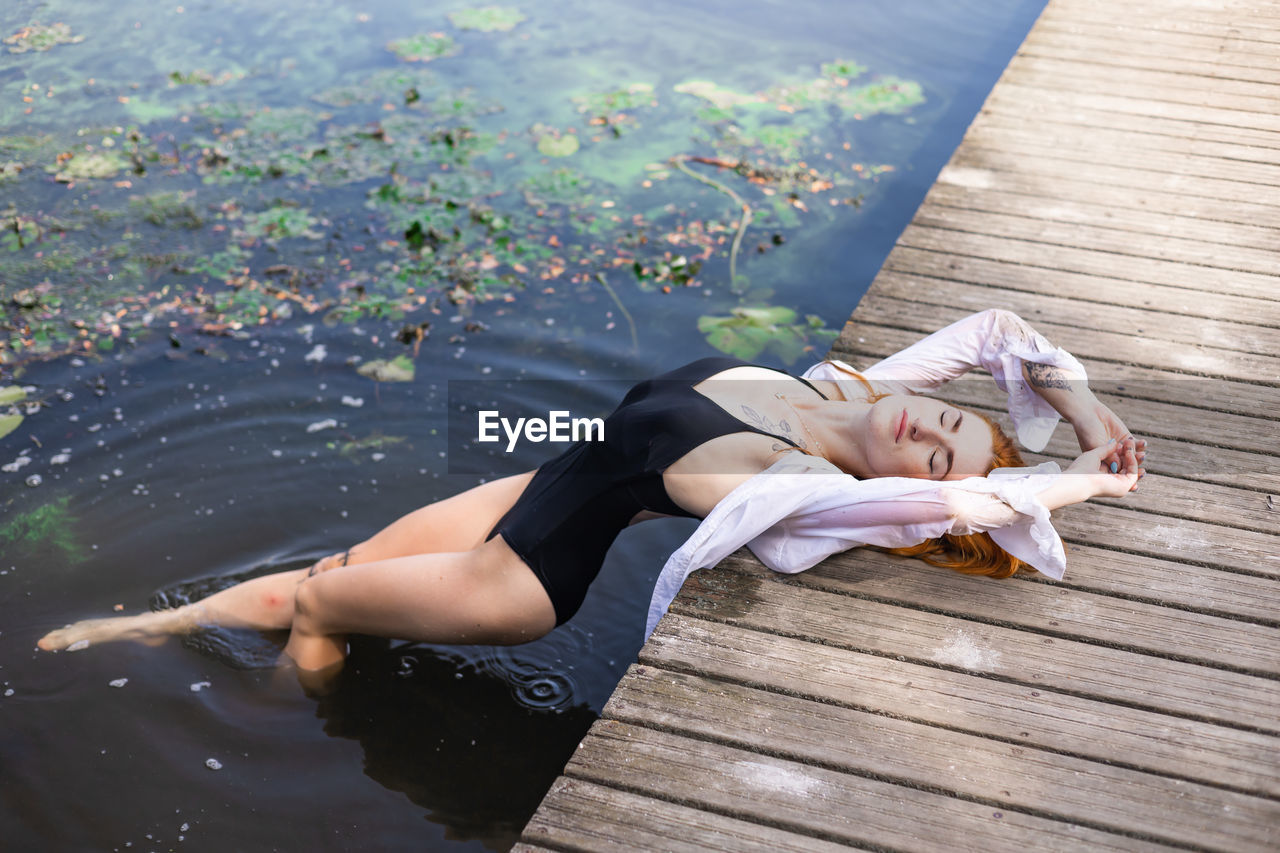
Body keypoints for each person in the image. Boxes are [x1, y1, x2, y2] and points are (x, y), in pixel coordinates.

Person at [37, 309, 1146, 686]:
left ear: (897, 486)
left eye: (936, 457)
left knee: (320, 610)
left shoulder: (804, 478)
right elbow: (1001, 332)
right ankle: (170, 623)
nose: (930, 436)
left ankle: (279, 718)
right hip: (537, 481)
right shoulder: (844, 388)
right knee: (336, 572)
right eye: (950, 422)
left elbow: (960, 508)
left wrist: (1051, 488)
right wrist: (1092, 425)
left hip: (517, 576)